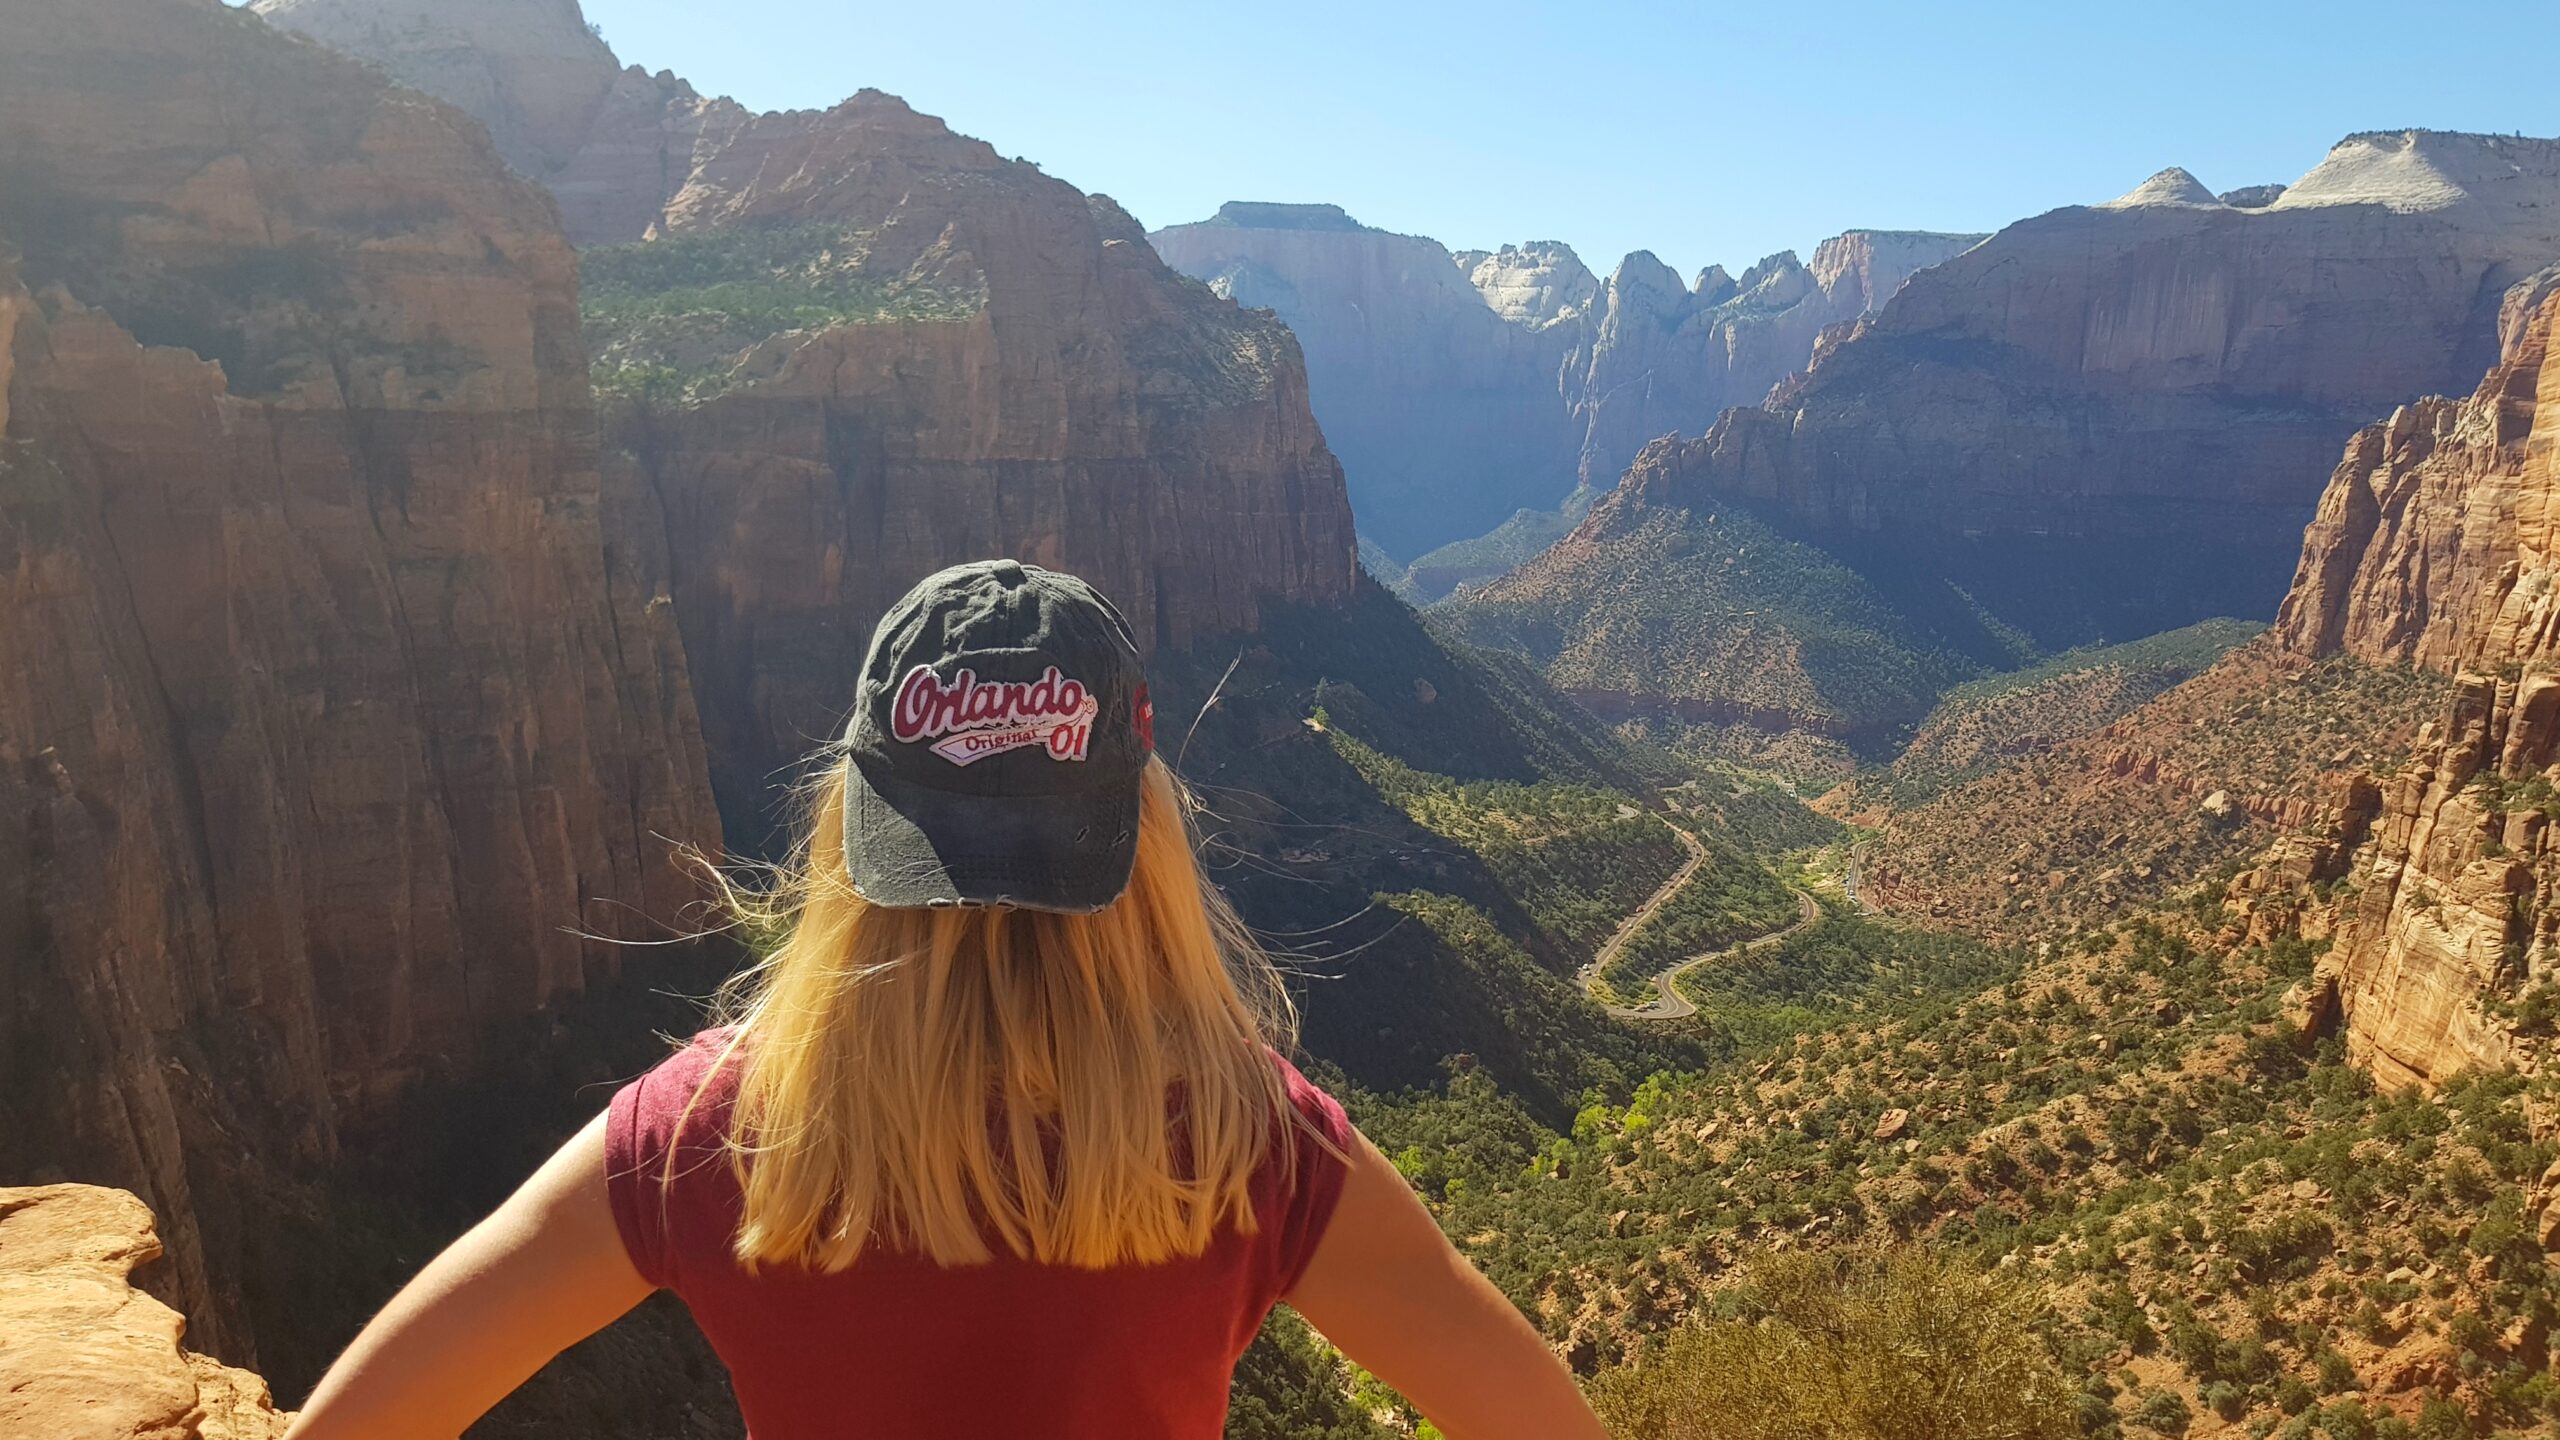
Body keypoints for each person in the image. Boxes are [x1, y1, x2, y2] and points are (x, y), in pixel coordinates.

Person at [285, 560, 1607, 1439]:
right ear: (1146, 836)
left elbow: (364, 1420)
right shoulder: (1252, 1147)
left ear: (849, 834)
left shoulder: (715, 1132)